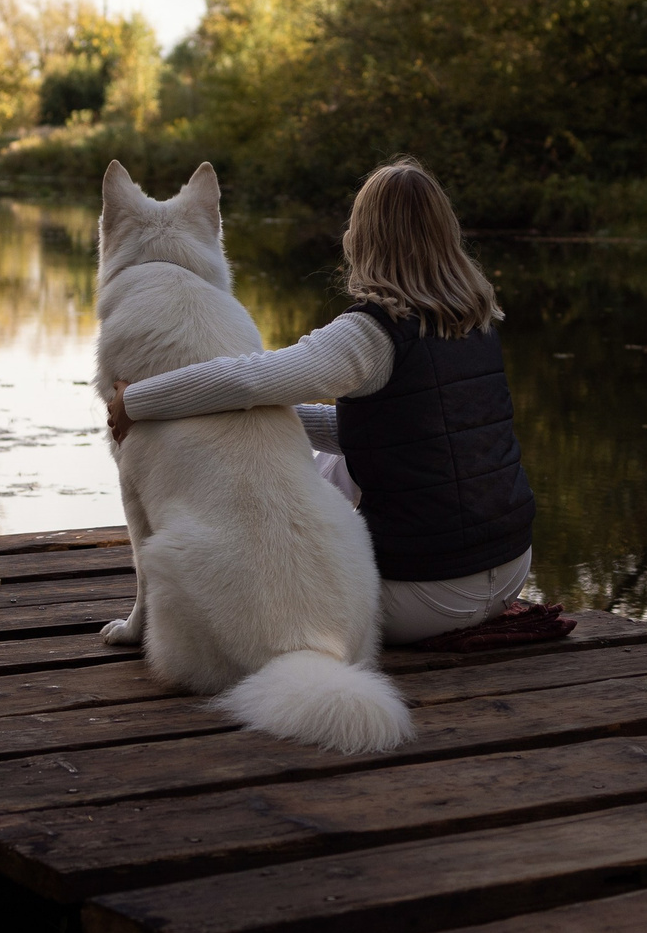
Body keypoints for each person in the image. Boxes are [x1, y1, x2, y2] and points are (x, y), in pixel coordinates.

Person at [106, 159, 536, 645]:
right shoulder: (474, 320)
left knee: (315, 498)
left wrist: (134, 401)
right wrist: (271, 416)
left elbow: (248, 381)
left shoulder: (369, 334)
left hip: (426, 597)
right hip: (511, 568)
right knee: (333, 463)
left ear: (364, 237)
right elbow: (391, 431)